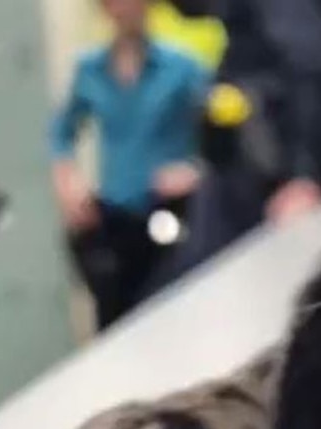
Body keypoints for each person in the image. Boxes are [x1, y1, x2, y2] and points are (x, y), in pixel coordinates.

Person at [151, 0, 321, 288]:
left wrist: (306, 175)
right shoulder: (236, 21)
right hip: (243, 177)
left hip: (279, 187)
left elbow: (313, 72)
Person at [50, 0, 210, 328]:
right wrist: (68, 181)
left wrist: (196, 170)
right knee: (111, 321)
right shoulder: (89, 69)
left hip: (168, 214)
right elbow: (61, 134)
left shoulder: (182, 67)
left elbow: (225, 132)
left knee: (169, 317)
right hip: (113, 216)